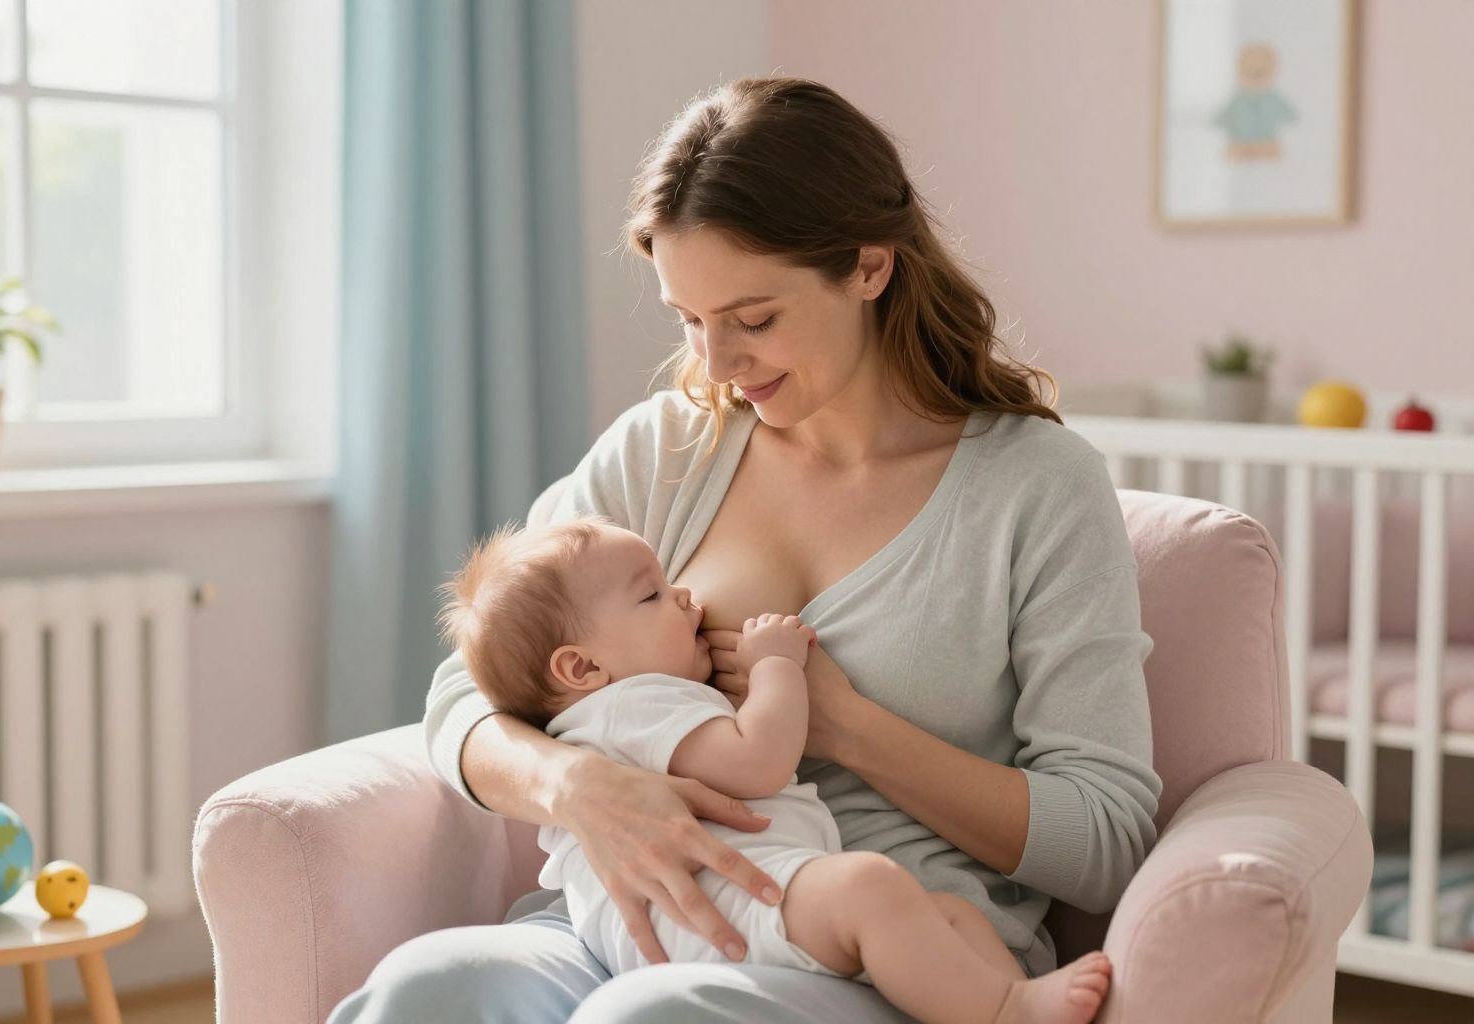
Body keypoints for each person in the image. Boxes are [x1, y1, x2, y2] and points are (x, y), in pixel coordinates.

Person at [327, 75, 1162, 1024]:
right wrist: (580, 786)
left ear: (870, 267)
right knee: (424, 989)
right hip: (627, 928)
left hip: (888, 954)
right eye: (690, 319)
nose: (716, 363)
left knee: (650, 1019)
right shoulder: (663, 452)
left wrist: (845, 726)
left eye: (754, 320)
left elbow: (1105, 838)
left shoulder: (1037, 487)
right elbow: (466, 692)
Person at [436, 515, 1114, 1022]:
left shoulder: (609, 706)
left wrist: (851, 722)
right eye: (653, 596)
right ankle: (1007, 1010)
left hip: (703, 919)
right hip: (725, 913)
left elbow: (1103, 834)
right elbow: (758, 761)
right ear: (582, 667)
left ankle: (1007, 1005)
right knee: (872, 886)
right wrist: (776, 667)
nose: (687, 597)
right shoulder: (632, 706)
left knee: (947, 917)